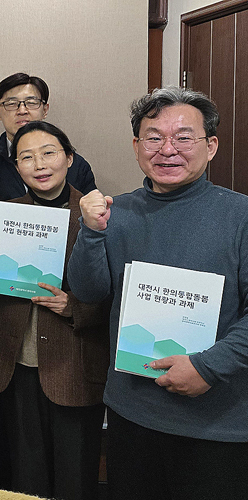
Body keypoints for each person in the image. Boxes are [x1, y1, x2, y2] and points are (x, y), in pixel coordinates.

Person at [67, 87, 248, 499]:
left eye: (183, 137)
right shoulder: (117, 210)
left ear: (211, 146)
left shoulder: (240, 215)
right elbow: (89, 291)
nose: (168, 150)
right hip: (132, 414)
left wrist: (207, 368)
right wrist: (91, 233)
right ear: (136, 147)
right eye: (154, 137)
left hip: (216, 425)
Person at [0, 121, 109, 500]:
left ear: (70, 158)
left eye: (49, 153)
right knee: (25, 473)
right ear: (17, 167)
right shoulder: (7, 212)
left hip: (74, 364)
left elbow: (117, 293)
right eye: (27, 157)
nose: (39, 164)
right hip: (15, 362)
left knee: (75, 474)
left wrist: (75, 306)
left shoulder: (96, 213)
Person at [0, 73, 97, 201]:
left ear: (45, 110)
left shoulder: (74, 163)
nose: (22, 111)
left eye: (31, 102)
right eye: (11, 103)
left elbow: (93, 207)